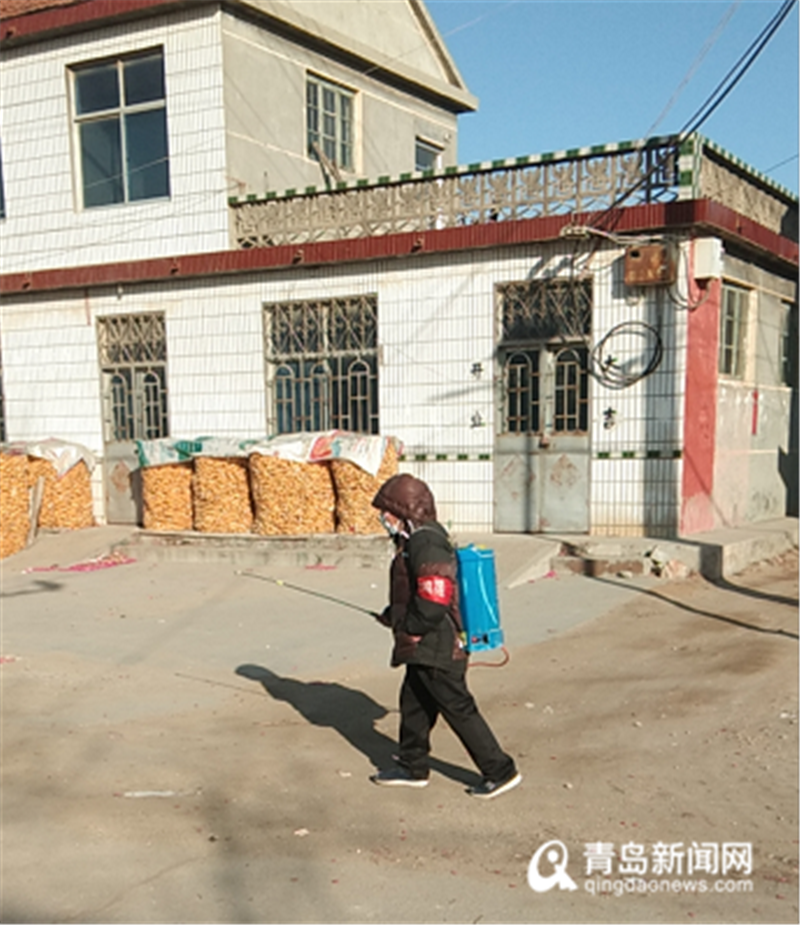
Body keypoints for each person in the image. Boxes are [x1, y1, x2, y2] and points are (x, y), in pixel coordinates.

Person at [369, 473, 522, 799]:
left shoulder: (425, 542)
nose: (384, 518)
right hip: (426, 643)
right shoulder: (418, 539)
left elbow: (433, 598)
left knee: (458, 707)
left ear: (403, 510)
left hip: (436, 643)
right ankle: (412, 766)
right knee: (414, 702)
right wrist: (393, 615)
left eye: (387, 511)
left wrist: (409, 627)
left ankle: (500, 770)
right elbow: (416, 592)